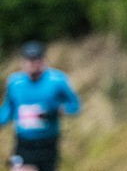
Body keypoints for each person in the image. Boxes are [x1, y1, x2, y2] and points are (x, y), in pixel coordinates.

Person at [0, 41, 80, 171]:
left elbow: (75, 106)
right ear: (22, 62)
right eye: (29, 59)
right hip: (24, 144)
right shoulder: (14, 83)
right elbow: (8, 110)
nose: (32, 64)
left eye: (36, 59)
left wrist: (58, 111)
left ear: (43, 61)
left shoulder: (57, 81)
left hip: (48, 144)